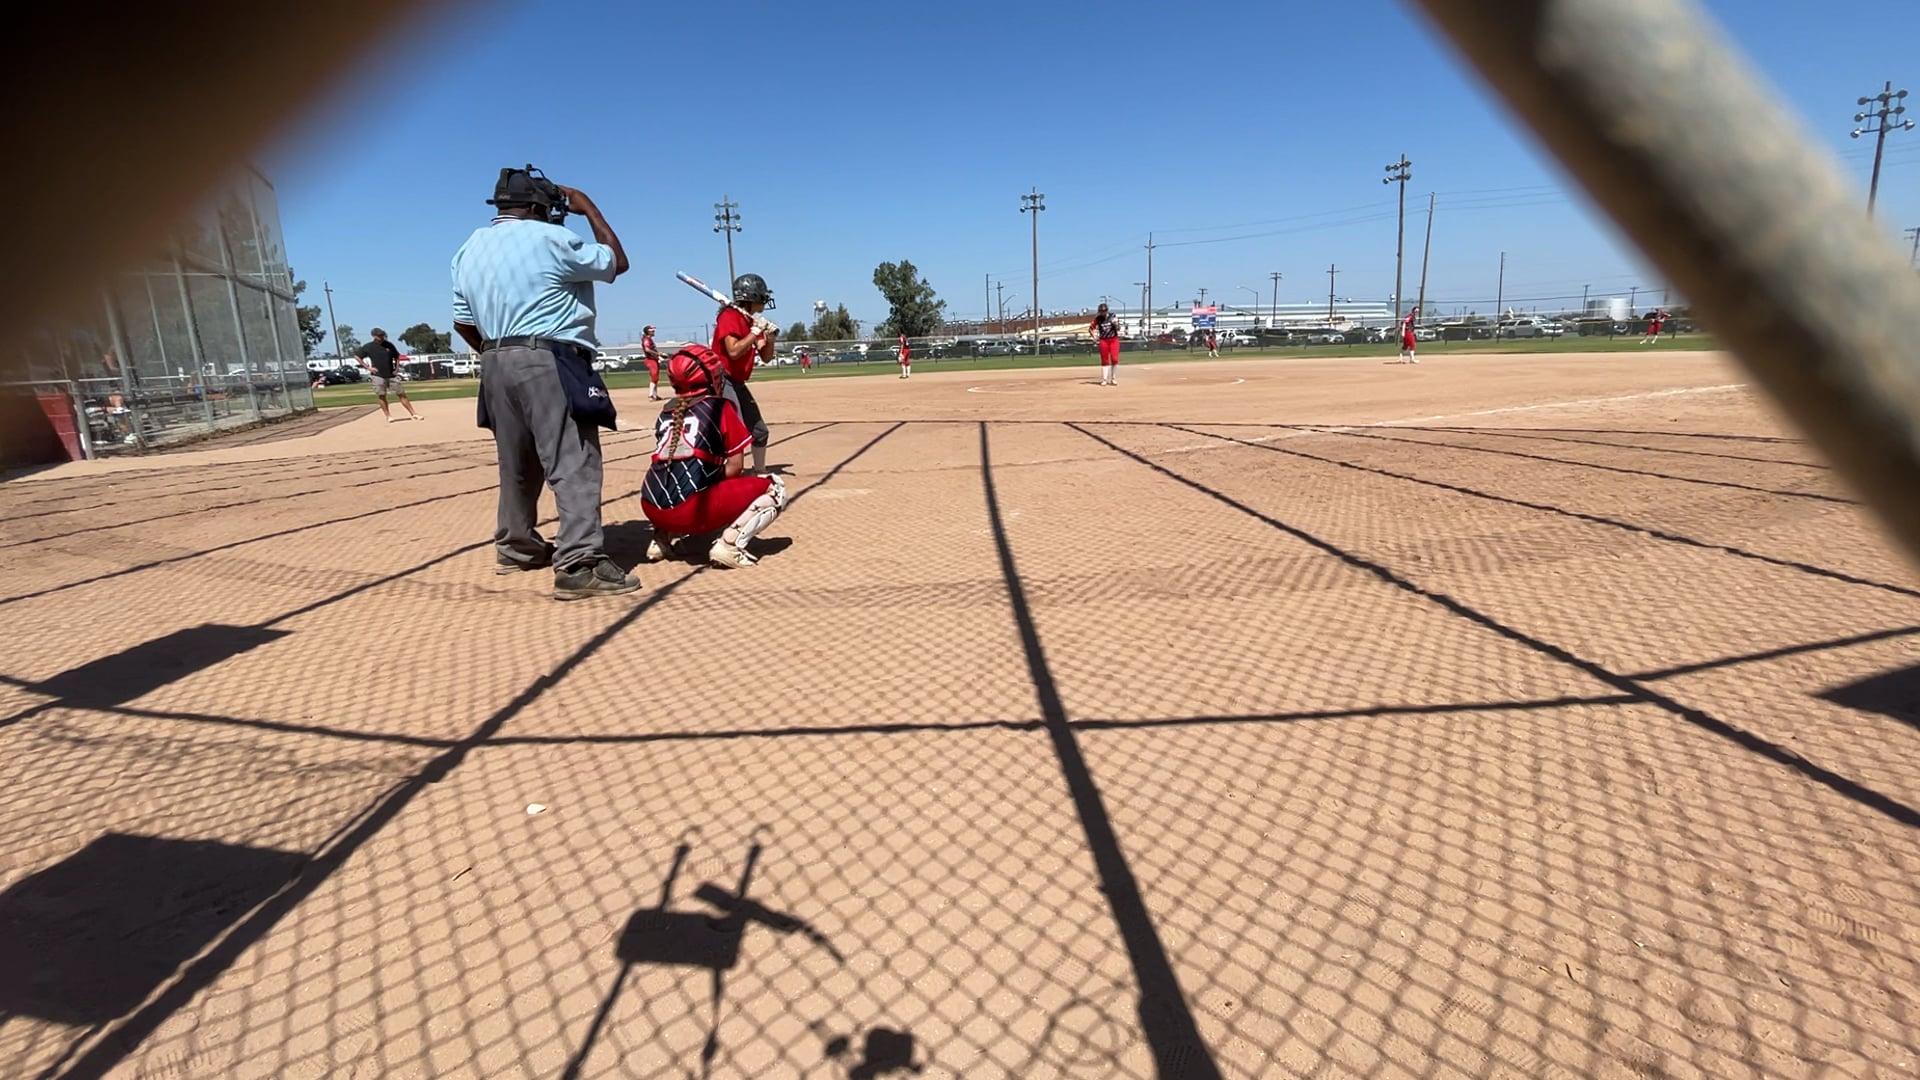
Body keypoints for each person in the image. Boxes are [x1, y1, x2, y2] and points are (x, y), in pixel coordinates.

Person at [452, 165, 639, 600]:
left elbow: (462, 322)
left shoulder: (469, 246)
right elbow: (617, 262)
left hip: (494, 359)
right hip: (549, 356)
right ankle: (579, 564)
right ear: (537, 206)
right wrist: (589, 207)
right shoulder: (551, 239)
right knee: (574, 462)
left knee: (517, 462)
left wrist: (500, 354)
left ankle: (516, 547)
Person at [640, 346, 787, 569]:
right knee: (775, 488)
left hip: (650, 506)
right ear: (710, 378)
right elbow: (735, 467)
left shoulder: (666, 411)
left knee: (675, 475)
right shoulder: (720, 407)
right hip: (689, 512)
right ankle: (729, 546)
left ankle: (660, 540)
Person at [711, 273, 775, 474]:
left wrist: (770, 337)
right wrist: (754, 332)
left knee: (759, 430)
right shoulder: (729, 317)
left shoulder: (751, 321)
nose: (765, 299)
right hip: (722, 379)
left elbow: (766, 356)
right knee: (733, 431)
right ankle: (722, 474)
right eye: (762, 295)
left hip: (737, 381)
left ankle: (760, 472)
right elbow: (733, 351)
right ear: (751, 296)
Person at [355, 329, 422, 421]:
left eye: (382, 335)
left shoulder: (389, 345)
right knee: (382, 395)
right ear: (374, 336)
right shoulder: (369, 346)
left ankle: (413, 413)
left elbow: (397, 356)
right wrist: (368, 367)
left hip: (391, 375)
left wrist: (396, 368)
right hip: (378, 375)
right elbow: (357, 356)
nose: (381, 337)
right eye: (379, 335)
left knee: (401, 394)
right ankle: (388, 416)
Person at [1091, 302, 1122, 386]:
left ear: (1107, 311)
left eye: (1103, 311)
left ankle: (1113, 378)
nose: (1102, 313)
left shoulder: (1113, 316)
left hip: (1113, 339)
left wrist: (1116, 324)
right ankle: (1104, 379)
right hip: (1103, 340)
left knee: (1114, 358)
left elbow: (1118, 328)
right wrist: (1094, 337)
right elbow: (1091, 328)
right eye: (1101, 311)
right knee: (1104, 359)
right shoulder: (1098, 319)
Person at [642, 324, 662, 400]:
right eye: (652, 331)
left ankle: (655, 395)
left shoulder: (649, 339)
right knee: (654, 377)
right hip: (650, 360)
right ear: (648, 332)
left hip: (654, 359)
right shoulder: (646, 339)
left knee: (655, 378)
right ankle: (651, 395)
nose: (654, 332)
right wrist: (658, 353)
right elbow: (647, 349)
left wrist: (658, 356)